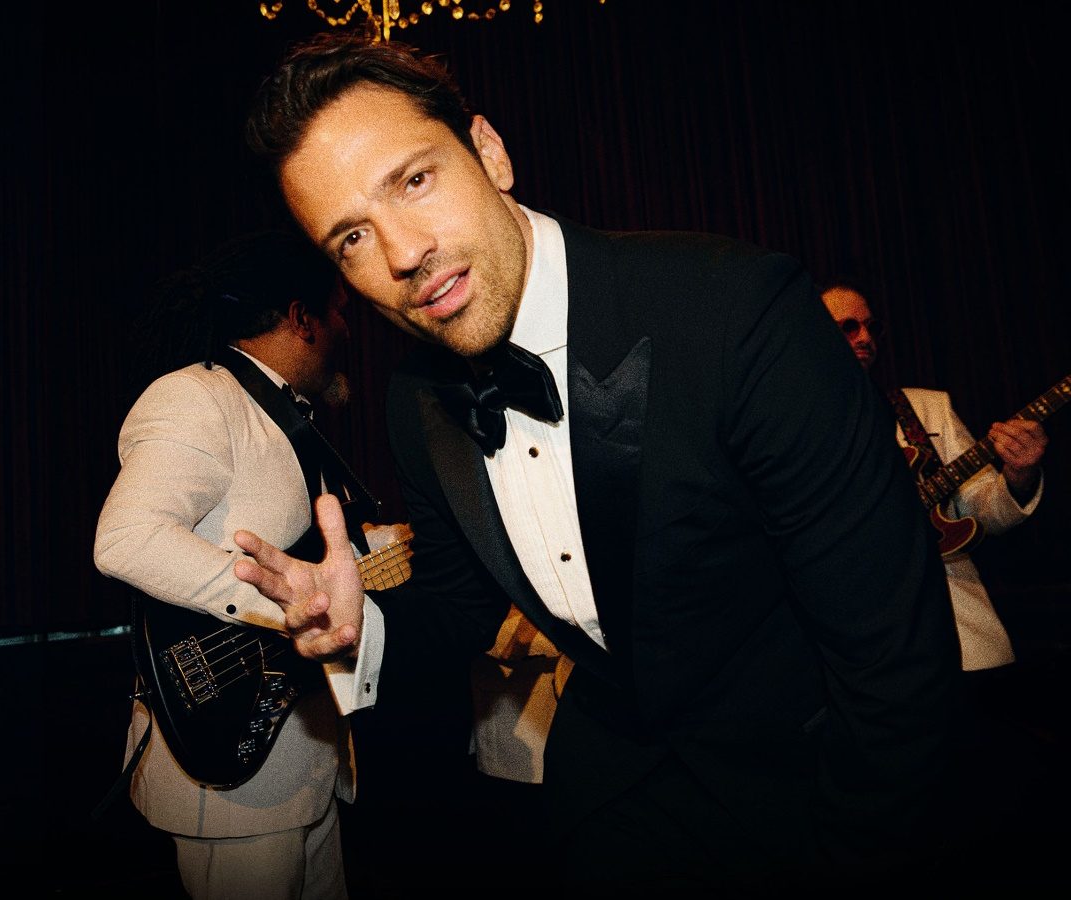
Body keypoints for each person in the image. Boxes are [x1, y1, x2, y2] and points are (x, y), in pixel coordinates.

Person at [231, 33, 963, 894]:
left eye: (414, 181)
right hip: (614, 806)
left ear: (490, 153)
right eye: (351, 238)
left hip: (814, 790)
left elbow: (892, 650)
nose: (401, 254)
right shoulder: (416, 402)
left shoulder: (735, 312)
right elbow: (465, 611)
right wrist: (364, 627)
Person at [93, 227, 359, 900]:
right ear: (301, 318)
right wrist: (289, 602)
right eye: (338, 312)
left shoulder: (282, 412)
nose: (346, 329)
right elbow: (126, 536)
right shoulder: (199, 395)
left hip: (305, 758)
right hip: (233, 774)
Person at [820, 279, 1055, 883]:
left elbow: (984, 509)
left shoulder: (923, 409)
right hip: (856, 658)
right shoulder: (788, 420)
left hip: (957, 638)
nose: (866, 337)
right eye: (848, 327)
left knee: (990, 804)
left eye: (870, 326)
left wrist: (1019, 477)